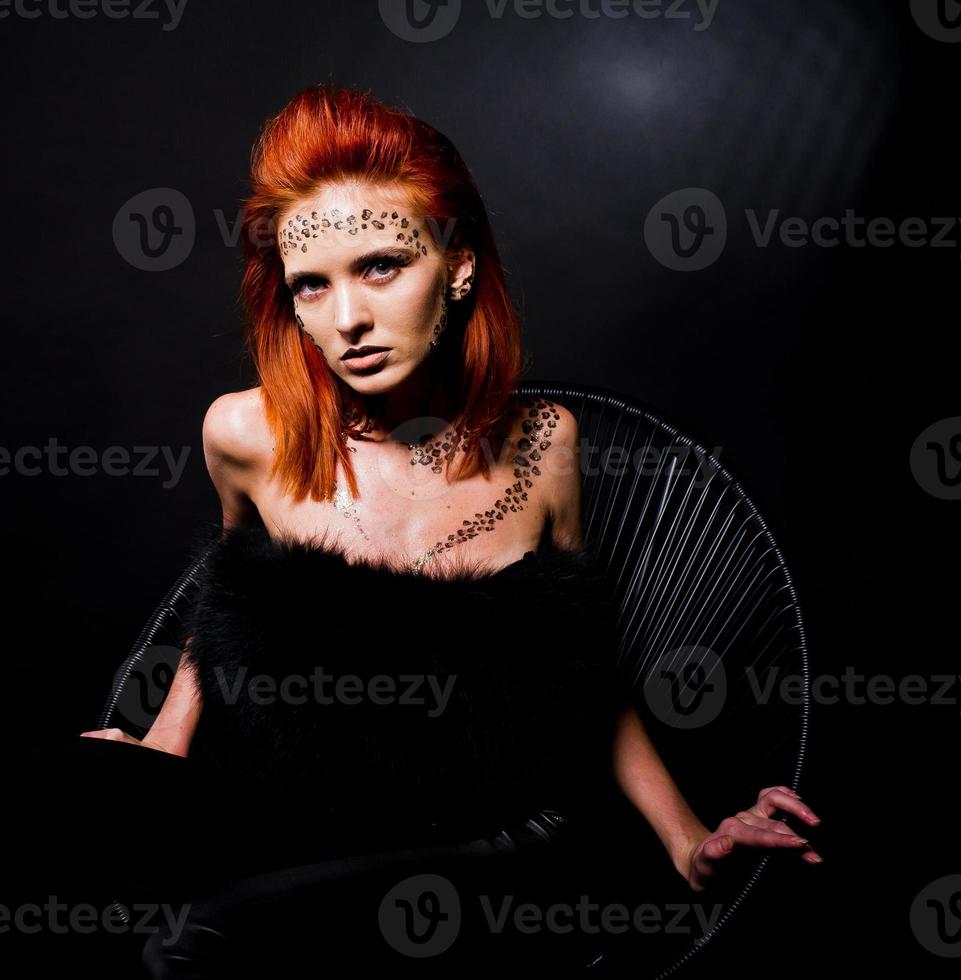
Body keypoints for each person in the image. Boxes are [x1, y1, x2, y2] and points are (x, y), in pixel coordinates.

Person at [81, 83, 823, 977]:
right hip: (298, 808)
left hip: (490, 837)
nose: (345, 319)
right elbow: (231, 596)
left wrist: (688, 840)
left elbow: (578, 669)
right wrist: (160, 754)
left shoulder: (546, 444)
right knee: (50, 806)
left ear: (459, 263)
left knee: (195, 944)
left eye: (382, 266)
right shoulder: (245, 435)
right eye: (310, 286)